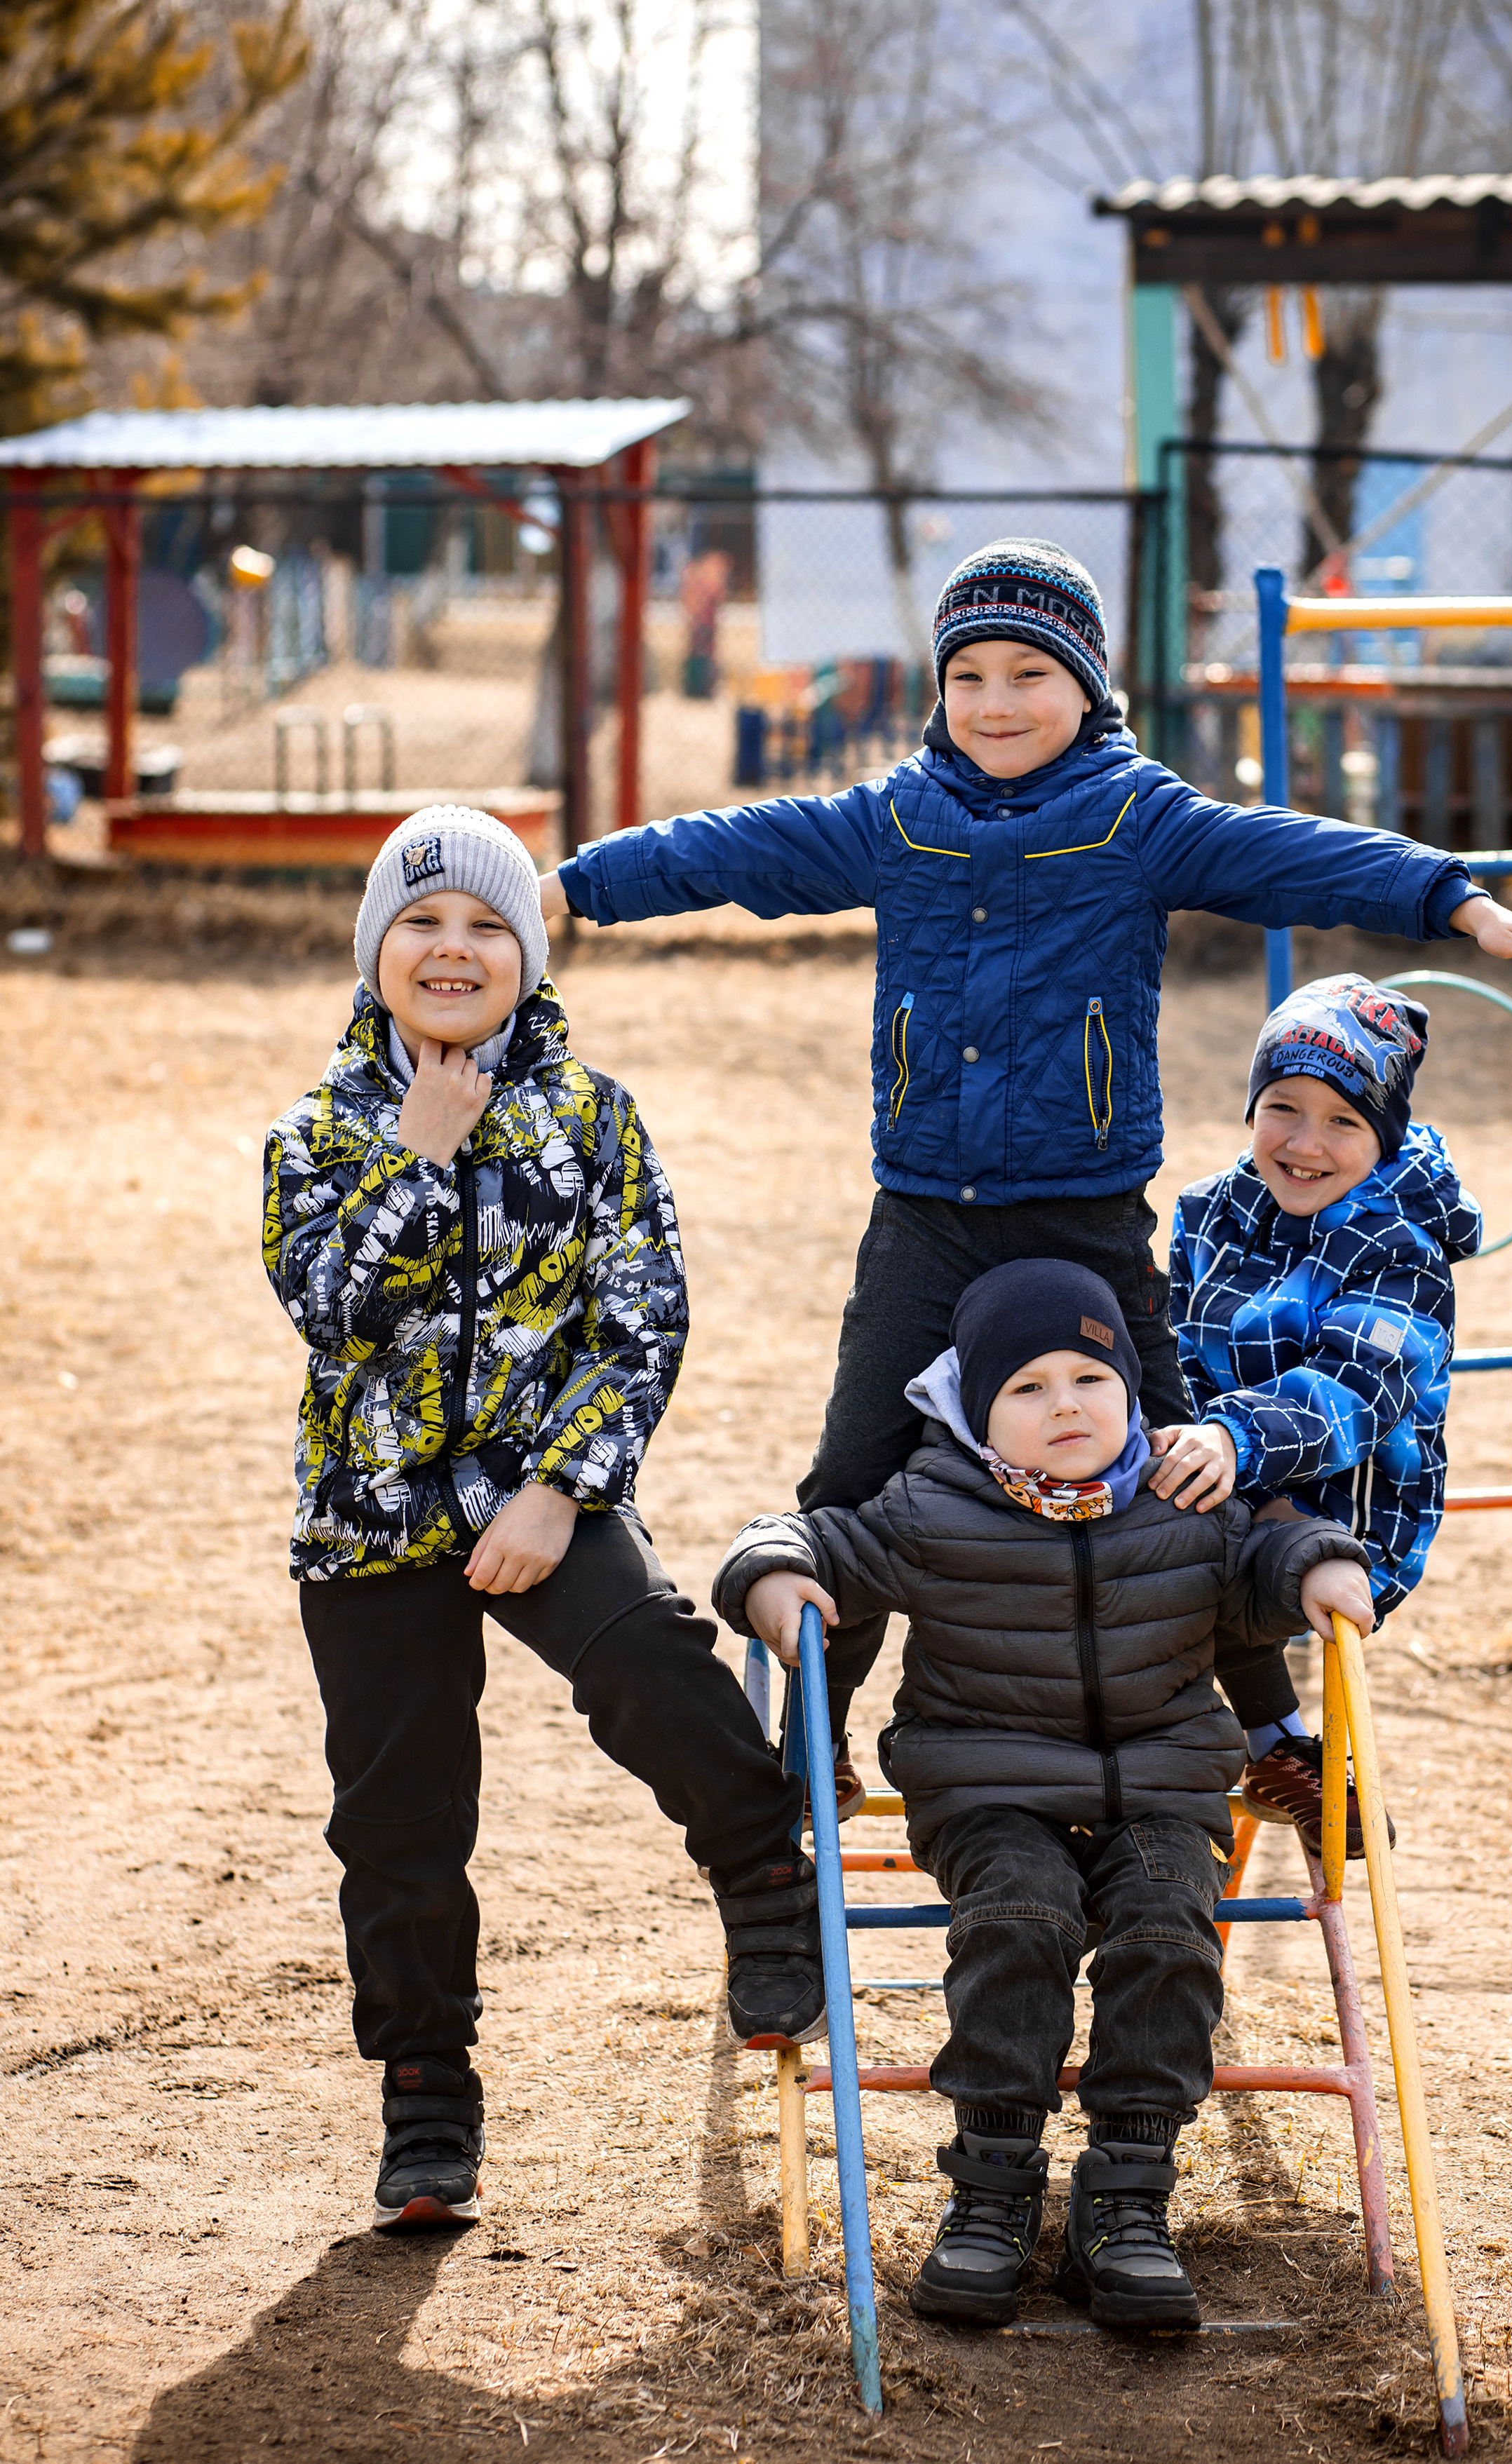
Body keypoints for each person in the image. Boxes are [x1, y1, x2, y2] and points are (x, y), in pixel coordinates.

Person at [538, 537, 1512, 1794]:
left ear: (1089, 687)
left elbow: (1287, 852)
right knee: (854, 1470)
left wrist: (1453, 899)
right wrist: (569, 886)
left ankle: (1270, 1734)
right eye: (970, 675)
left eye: (1029, 674)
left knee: (1169, 1460)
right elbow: (734, 851)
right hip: (927, 1214)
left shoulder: (1135, 819)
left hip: (1085, 1210)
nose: (996, 703)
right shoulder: (895, 821)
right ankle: (811, 1754)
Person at [262, 806, 823, 2235]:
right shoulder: (318, 1133)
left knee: (647, 1656)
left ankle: (763, 1879)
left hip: (540, 1484)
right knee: (397, 1815)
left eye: (485, 924)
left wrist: (560, 1487)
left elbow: (640, 1321)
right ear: (375, 948)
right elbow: (332, 1315)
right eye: (422, 921)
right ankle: (427, 2098)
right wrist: (417, 1155)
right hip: (374, 1513)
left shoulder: (594, 1118)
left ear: (528, 952)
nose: (453, 948)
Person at [712, 1257, 1373, 2328]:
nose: (1065, 1403)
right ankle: (991, 2186)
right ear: (976, 1409)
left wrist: (1315, 1565)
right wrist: (770, 1573)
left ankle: (1125, 2197)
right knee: (1018, 1921)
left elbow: (1259, 1559)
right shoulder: (934, 1505)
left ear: (1130, 1392)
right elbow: (808, 1535)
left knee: (1167, 1930)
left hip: (1157, 1786)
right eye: (1025, 1387)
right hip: (990, 1785)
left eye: (1089, 1378)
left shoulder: (1179, 1495)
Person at [1153, 975, 1481, 1858]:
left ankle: (1270, 1745)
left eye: (1343, 1122)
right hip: (1223, 1476)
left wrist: (1232, 1440)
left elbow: (1357, 1389)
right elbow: (1174, 1348)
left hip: (1349, 1505)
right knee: (1101, 1534)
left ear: (1384, 1134)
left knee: (1177, 1558)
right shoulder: (1207, 1212)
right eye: (1282, 1107)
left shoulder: (1401, 1248)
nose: (1304, 1143)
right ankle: (1196, 1765)